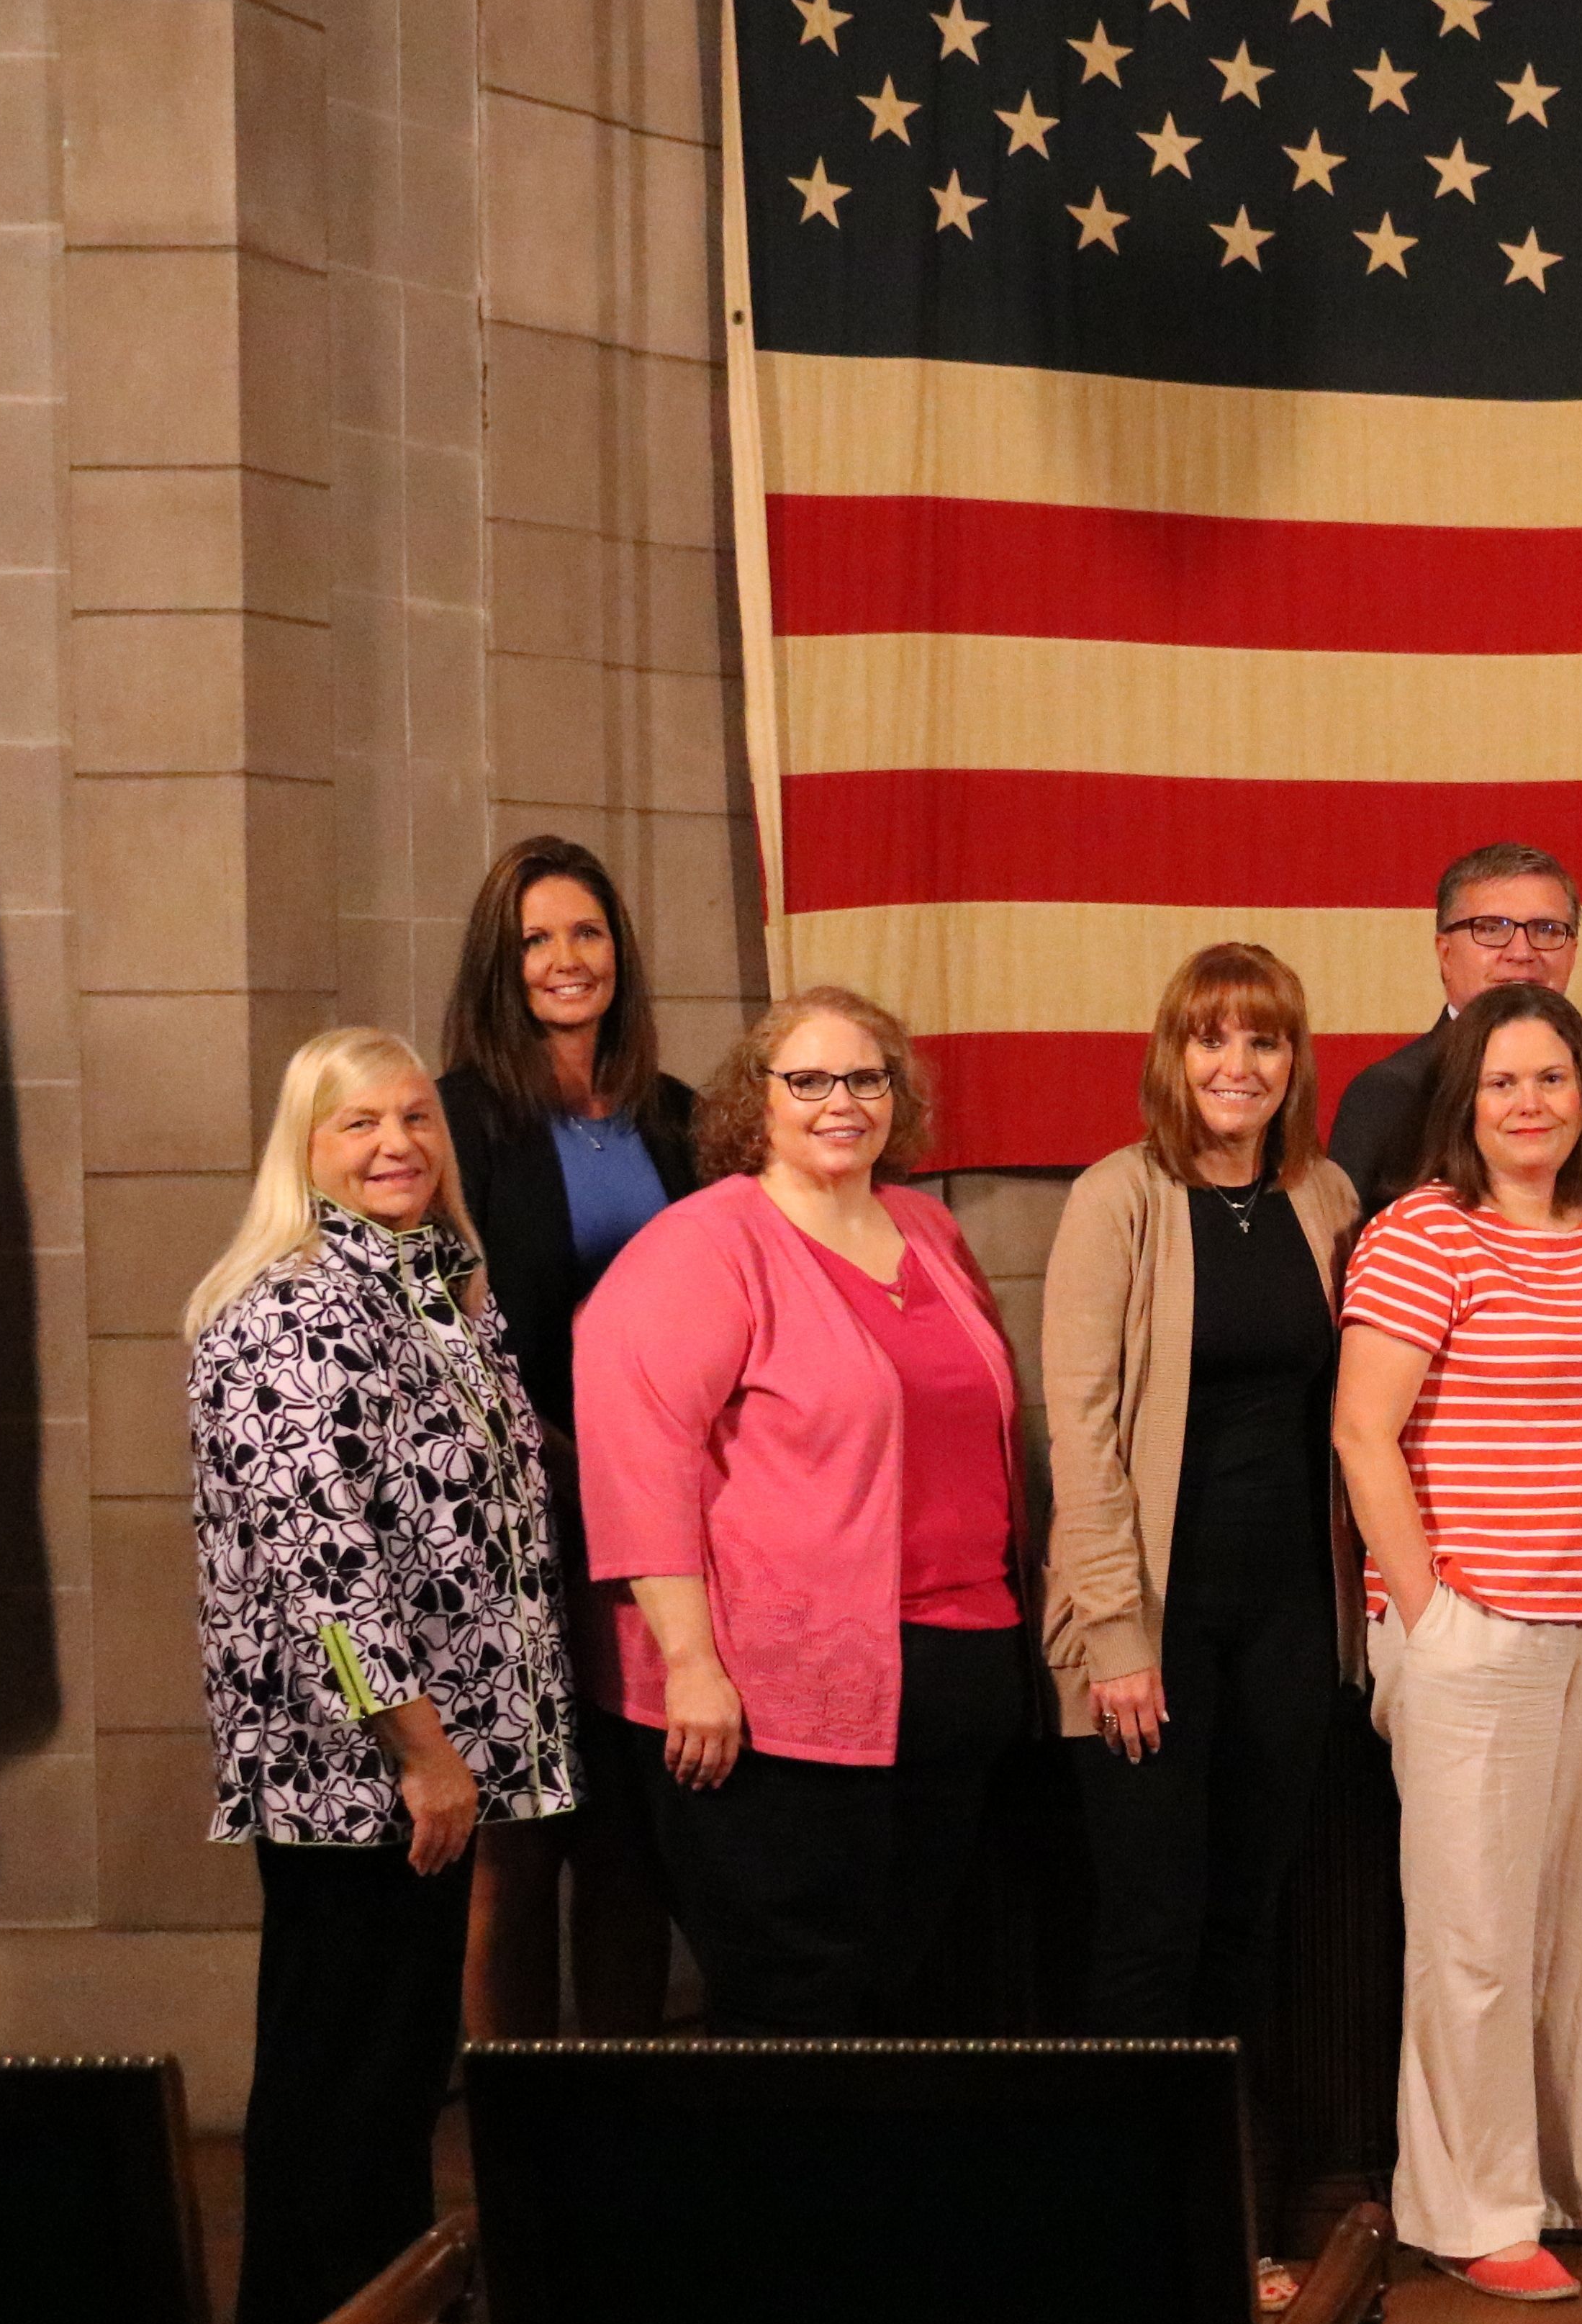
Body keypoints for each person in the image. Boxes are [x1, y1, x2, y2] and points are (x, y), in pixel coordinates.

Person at [184, 1027, 577, 2324]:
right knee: (340, 2052)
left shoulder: (434, 1296)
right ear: (306, 1150)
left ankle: (376, 2317)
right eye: (358, 1125)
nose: (398, 1143)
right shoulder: (288, 1313)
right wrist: (418, 1745)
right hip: (353, 1760)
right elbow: (322, 1571)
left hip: (444, 1744)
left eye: (414, 1117)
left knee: (398, 2051)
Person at [577, 988, 1029, 2038]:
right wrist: (691, 1661)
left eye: (865, 1078)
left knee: (902, 1984)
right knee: (792, 1997)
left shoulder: (927, 1229)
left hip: (954, 1665)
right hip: (771, 1694)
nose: (842, 1102)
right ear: (757, 1101)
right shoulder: (703, 1246)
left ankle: (870, 2204)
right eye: (810, 1080)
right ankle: (779, 2206)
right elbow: (637, 1461)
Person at [1334, 983, 1582, 2300]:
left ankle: (1568, 2176)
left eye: (1551, 1079)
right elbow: (1365, 1435)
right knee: (1476, 1938)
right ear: (1462, 1105)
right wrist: (1427, 1611)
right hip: (1482, 1627)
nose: (1530, 1103)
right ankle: (1471, 2208)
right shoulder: (1419, 1237)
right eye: (1502, 1083)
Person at [1041, 943, 1365, 2052]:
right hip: (1152, 1623)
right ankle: (1129, 2210)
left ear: (1294, 1059)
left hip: (1288, 1618)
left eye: (1264, 1040)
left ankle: (1228, 2199)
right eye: (1212, 1037)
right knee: (1151, 1927)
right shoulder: (1116, 1197)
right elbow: (1078, 1436)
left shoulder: (1325, 1196)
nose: (1239, 1065)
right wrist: (1118, 1636)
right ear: (1174, 1055)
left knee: (1247, 1922)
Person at [435, 834, 697, 2044]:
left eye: (585, 933)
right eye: (537, 938)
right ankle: (519, 2139)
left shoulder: (678, 1119)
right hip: (520, 1517)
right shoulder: (462, 1121)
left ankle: (622, 2121)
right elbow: (446, 1328)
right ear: (502, 961)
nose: (565, 959)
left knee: (634, 1838)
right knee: (527, 1842)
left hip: (660, 1518)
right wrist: (546, 1448)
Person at [1328, 842, 1582, 1212]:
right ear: (1444, 953)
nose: (1522, 952)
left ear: (1573, 952)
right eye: (1492, 928)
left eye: (1546, 929)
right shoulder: (1387, 1096)